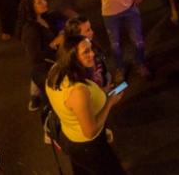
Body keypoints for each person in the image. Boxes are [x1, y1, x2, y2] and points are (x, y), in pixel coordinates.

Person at [45, 34, 128, 174]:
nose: (93, 54)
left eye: (91, 49)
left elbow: (71, 105)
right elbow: (90, 132)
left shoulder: (55, 70)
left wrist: (100, 92)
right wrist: (109, 102)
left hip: (70, 137)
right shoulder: (78, 91)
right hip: (88, 147)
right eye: (86, 52)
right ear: (72, 57)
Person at [16, 0, 63, 112]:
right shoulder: (30, 30)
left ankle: (35, 95)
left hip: (53, 61)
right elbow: (35, 57)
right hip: (45, 68)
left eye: (44, 0)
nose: (45, 3)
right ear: (30, 7)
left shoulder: (44, 17)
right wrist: (54, 43)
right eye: (39, 2)